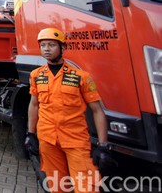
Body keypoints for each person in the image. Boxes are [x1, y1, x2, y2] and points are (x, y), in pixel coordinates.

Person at [26, 28, 114, 192]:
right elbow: (34, 105)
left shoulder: (81, 77)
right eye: (43, 45)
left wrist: (103, 146)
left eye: (51, 45)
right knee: (57, 187)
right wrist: (30, 134)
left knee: (87, 188)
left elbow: (97, 111)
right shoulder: (36, 75)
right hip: (47, 140)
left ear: (63, 48)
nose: (46, 49)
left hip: (75, 140)